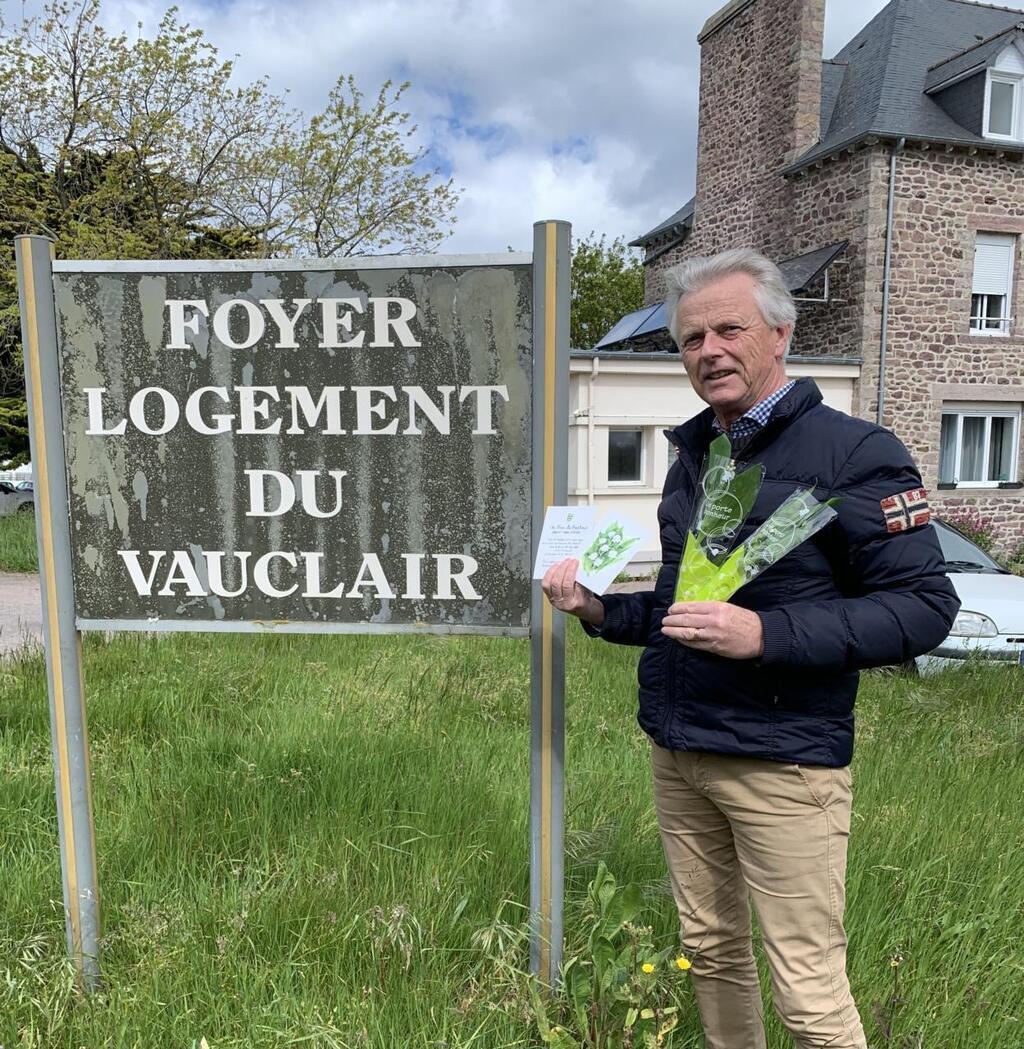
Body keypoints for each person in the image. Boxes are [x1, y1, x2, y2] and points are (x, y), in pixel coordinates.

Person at [542, 248, 959, 1049]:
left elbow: (925, 607)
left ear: (781, 332)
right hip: (681, 751)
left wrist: (767, 634)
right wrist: (596, 607)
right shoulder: (698, 455)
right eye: (691, 338)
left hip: (784, 764)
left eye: (728, 328)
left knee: (807, 987)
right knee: (711, 952)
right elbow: (681, 607)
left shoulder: (854, 452)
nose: (709, 351)